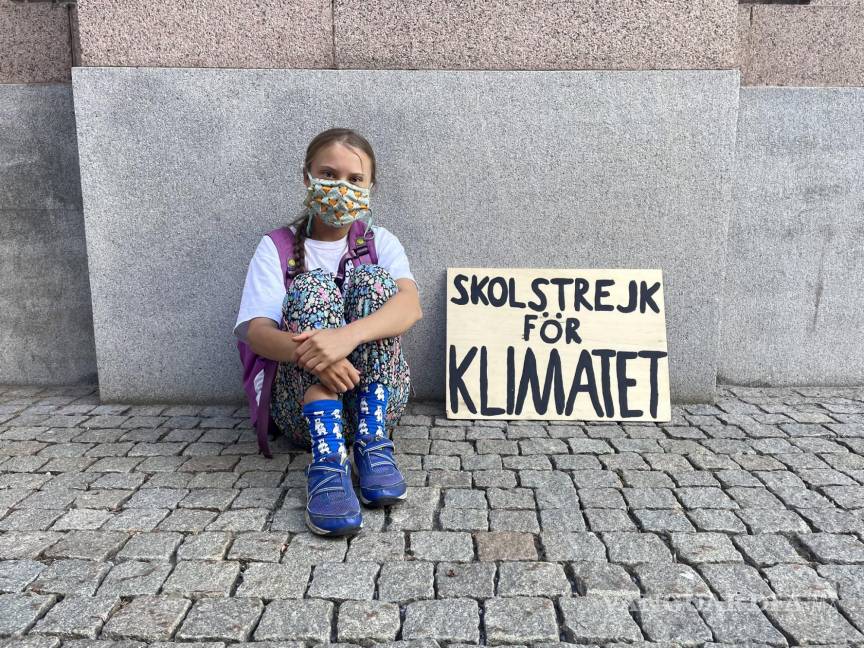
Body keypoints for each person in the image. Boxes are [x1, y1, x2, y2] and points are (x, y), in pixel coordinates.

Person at [233, 128, 423, 536]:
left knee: (374, 281)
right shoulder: (277, 247)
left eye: (355, 180)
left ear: (371, 186)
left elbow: (410, 306)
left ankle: (373, 446)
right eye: (329, 174)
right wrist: (321, 357)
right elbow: (257, 333)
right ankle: (328, 460)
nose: (341, 188)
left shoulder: (380, 242)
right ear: (307, 177)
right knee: (311, 286)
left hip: (378, 404)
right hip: (304, 414)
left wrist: (346, 338)